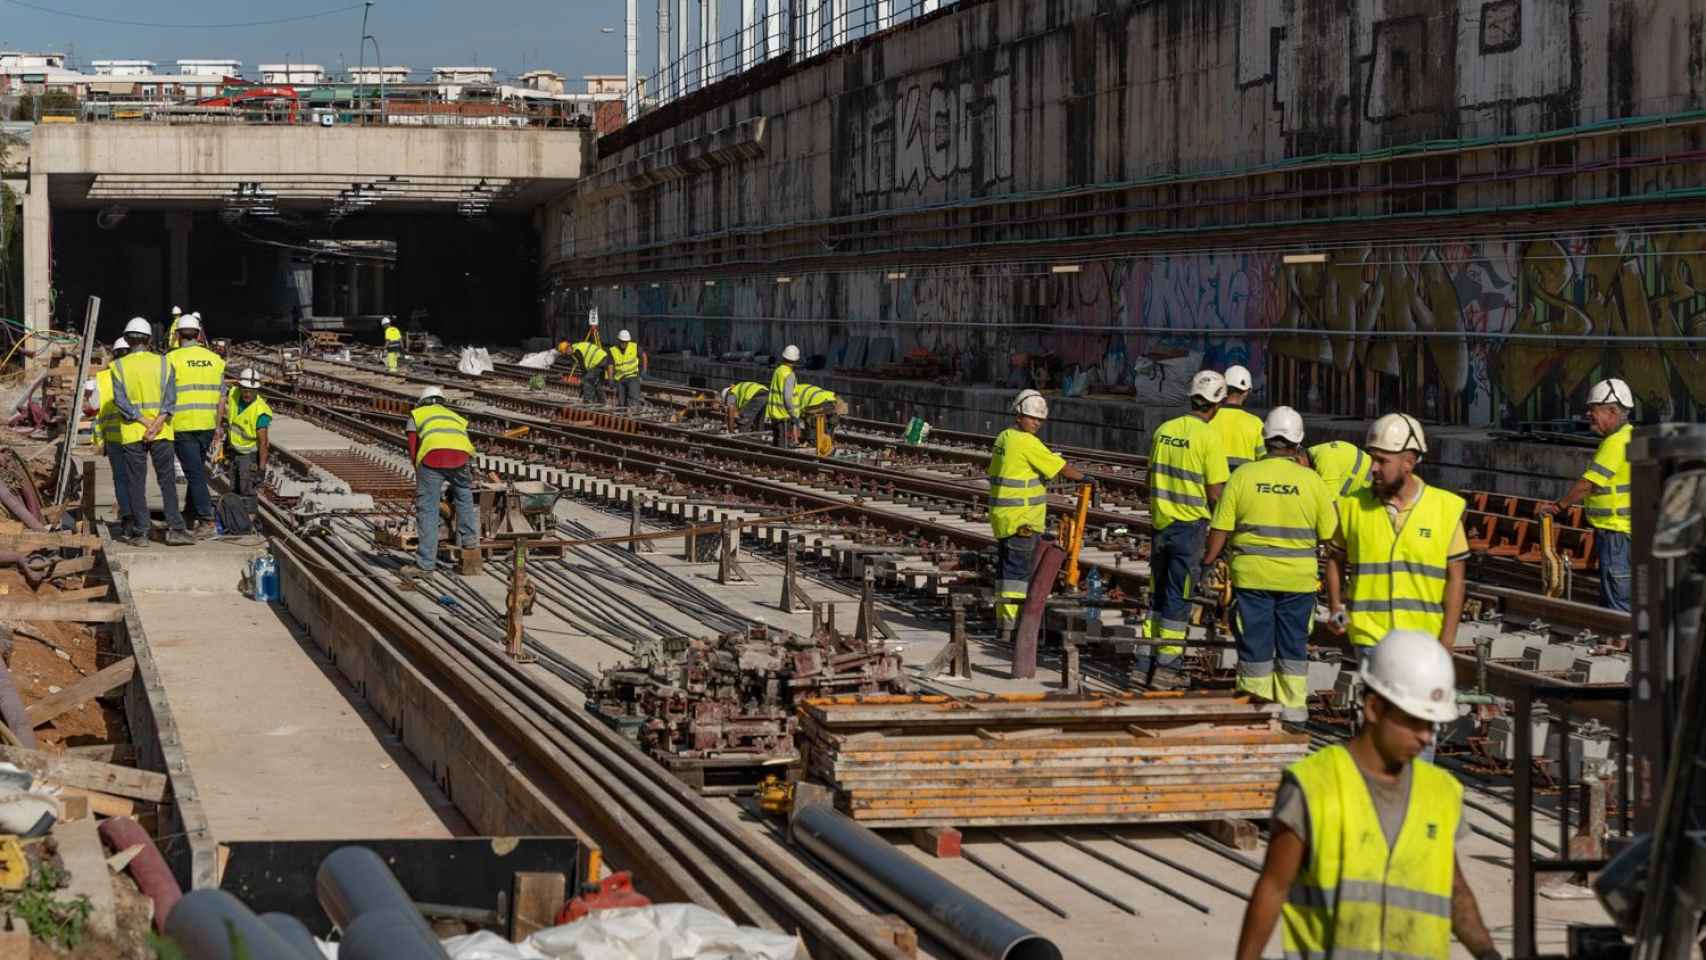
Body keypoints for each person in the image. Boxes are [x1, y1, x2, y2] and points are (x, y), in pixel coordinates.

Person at [1234, 629, 1501, 960]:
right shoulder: (1314, 785)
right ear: (1374, 708)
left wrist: (1489, 954)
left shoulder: (1441, 792)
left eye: (1431, 726)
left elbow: (1454, 889)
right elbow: (1273, 887)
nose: (1425, 738)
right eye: (1414, 722)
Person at [1201, 407, 1336, 722]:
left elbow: (1220, 528)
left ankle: (1254, 714)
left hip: (1253, 581)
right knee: (1293, 647)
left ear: (1266, 439)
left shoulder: (1243, 476)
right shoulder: (1313, 482)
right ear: (1298, 442)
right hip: (1298, 583)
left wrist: (1207, 562)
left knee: (1255, 647)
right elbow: (1332, 538)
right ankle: (1293, 715)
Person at [1324, 414, 1469, 654]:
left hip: (1423, 641)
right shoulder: (1352, 506)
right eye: (1372, 458)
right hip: (1370, 639)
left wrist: (1447, 640)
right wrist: (1336, 606)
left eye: (1382, 460)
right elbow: (1334, 558)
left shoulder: (1446, 509)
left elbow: (1456, 579)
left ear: (1408, 462)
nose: (1373, 468)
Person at [1143, 370, 1232, 687]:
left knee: (1156, 597)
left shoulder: (1164, 430)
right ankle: (1167, 670)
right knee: (1178, 601)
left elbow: (1149, 479)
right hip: (1188, 530)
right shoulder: (1209, 438)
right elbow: (1216, 494)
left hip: (1160, 526)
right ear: (1216, 405)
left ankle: (1144, 664)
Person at [987, 389, 1089, 643]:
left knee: (1005, 573)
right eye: (1032, 418)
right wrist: (1085, 478)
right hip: (1022, 520)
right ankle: (1014, 630)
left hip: (1003, 517)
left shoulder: (1004, 437)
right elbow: (1062, 469)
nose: (1036, 423)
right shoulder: (1027, 442)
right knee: (1018, 577)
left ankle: (1004, 624)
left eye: (1039, 419)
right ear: (1019, 415)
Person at [1538, 378, 1634, 612]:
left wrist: (1559, 506)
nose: (1589, 415)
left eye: (1594, 410)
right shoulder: (1630, 437)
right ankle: (1618, 637)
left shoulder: (1616, 443)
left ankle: (1620, 641)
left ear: (1612, 411)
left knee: (1617, 593)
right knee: (1618, 590)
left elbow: (1587, 485)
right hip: (1623, 531)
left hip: (1616, 533)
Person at [108, 317, 193, 546]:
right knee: (167, 481)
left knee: (136, 483)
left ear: (127, 339)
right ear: (148, 339)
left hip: (133, 433)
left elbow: (121, 402)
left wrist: (144, 423)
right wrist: (156, 425)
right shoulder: (164, 363)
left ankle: (141, 532)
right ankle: (175, 528)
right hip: (162, 433)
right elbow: (170, 400)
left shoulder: (117, 367)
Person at [402, 386, 479, 578]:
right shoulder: (453, 415)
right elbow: (463, 440)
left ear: (423, 401)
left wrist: (419, 475)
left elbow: (413, 448)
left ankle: (425, 565)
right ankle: (469, 541)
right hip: (462, 459)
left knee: (428, 509)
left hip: (432, 459)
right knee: (464, 496)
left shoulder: (417, 414)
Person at [167, 312, 226, 537]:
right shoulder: (215, 360)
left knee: (195, 474)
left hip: (183, 425)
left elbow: (167, 394)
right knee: (197, 470)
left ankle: (207, 519)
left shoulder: (172, 359)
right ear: (199, 335)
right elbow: (222, 397)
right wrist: (218, 426)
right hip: (207, 425)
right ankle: (191, 512)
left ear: (178, 335)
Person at [84, 336, 133, 535]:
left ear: (113, 355)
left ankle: (127, 517)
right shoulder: (136, 374)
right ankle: (138, 517)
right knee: (136, 479)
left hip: (113, 439)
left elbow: (94, 406)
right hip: (136, 435)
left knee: (120, 479)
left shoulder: (103, 377)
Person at [224, 368, 272, 501]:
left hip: (248, 456)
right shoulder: (234, 394)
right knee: (234, 488)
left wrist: (261, 469)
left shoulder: (260, 411)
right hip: (233, 451)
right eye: (244, 389)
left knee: (246, 492)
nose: (247, 393)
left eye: (251, 390)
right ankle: (236, 518)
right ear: (239, 387)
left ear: (256, 391)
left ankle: (249, 518)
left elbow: (263, 443)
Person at [1212, 364, 1266, 470]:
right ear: (1247, 392)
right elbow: (1264, 460)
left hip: (1213, 482)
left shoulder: (1210, 418)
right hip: (1245, 482)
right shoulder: (1256, 423)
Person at [1308, 439, 1373, 499]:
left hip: (1371, 485)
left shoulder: (1324, 459)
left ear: (1299, 459)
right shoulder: (1319, 452)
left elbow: (1331, 500)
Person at [766, 345, 803, 447]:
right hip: (784, 414)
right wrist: (792, 414)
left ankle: (775, 459)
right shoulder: (789, 374)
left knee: (777, 439)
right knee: (783, 443)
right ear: (795, 360)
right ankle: (780, 461)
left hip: (774, 412)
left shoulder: (778, 371)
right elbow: (787, 397)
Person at [569, 335, 609, 404]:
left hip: (598, 361)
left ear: (569, 347)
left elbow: (583, 366)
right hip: (604, 358)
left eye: (567, 350)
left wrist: (583, 380)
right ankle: (602, 402)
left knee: (587, 380)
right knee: (597, 383)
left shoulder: (577, 350)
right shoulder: (578, 346)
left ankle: (587, 402)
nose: (567, 353)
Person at [609, 329, 644, 408]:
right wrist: (610, 379)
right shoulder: (613, 350)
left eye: (625, 342)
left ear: (628, 341)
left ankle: (633, 414)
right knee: (621, 402)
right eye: (622, 341)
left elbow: (643, 357)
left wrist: (642, 372)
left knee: (633, 400)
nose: (624, 343)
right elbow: (610, 365)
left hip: (633, 376)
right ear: (618, 340)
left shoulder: (634, 347)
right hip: (620, 379)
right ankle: (622, 417)